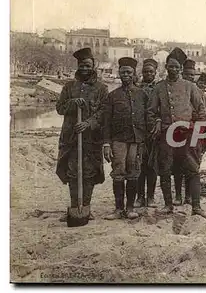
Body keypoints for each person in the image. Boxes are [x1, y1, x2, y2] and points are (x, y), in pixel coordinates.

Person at [147, 47, 206, 219]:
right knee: (166, 169)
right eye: (170, 66)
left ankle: (196, 206)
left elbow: (201, 110)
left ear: (181, 69)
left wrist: (197, 129)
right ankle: (168, 205)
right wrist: (158, 122)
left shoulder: (190, 86)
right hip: (167, 134)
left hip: (187, 134)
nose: (173, 70)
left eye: (177, 67)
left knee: (192, 169)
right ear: (166, 67)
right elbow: (151, 111)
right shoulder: (159, 88)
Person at [56, 47, 108, 222]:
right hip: (71, 138)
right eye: (81, 65)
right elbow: (60, 108)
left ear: (93, 66)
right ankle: (73, 208)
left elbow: (103, 112)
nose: (84, 68)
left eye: (87, 65)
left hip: (91, 139)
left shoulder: (102, 88)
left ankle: (85, 207)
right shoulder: (69, 87)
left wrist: (88, 123)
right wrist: (72, 103)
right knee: (72, 172)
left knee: (89, 172)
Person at [102, 57, 148, 220]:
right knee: (118, 172)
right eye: (123, 72)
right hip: (118, 140)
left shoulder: (142, 95)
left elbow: (147, 118)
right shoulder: (113, 96)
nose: (126, 75)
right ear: (119, 74)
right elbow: (106, 122)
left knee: (133, 172)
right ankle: (118, 209)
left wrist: (145, 140)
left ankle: (129, 208)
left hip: (136, 140)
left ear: (134, 73)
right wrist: (106, 143)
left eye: (129, 72)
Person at [172, 58, 198, 205]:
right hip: (178, 132)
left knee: (191, 165)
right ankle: (178, 195)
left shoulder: (197, 91)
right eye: (187, 75)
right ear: (182, 74)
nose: (190, 78)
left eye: (192, 75)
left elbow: (202, 111)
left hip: (193, 132)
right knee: (177, 165)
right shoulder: (178, 89)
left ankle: (189, 195)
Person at [135, 58, 159, 208]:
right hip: (139, 131)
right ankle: (140, 197)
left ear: (155, 73)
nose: (148, 74)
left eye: (151, 71)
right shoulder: (136, 89)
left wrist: (158, 121)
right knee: (139, 165)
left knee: (152, 165)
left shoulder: (159, 89)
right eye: (145, 71)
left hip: (154, 132)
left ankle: (150, 197)